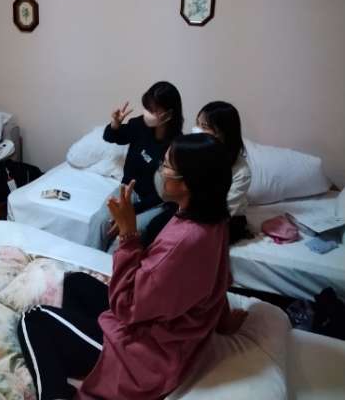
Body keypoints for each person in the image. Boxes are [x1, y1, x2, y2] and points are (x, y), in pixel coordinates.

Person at [18, 134, 245, 400]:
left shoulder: (183, 242)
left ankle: (56, 394)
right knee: (76, 281)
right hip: (164, 331)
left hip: (145, 358)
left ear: (188, 183)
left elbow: (126, 307)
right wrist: (224, 322)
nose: (160, 170)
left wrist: (128, 235)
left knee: (34, 318)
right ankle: (78, 346)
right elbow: (218, 282)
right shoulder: (214, 221)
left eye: (166, 165)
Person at [86, 80, 183, 252]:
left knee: (127, 235)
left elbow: (163, 193)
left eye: (152, 110)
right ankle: (85, 263)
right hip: (128, 191)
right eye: (146, 107)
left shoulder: (176, 147)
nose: (147, 113)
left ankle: (112, 269)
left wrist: (127, 214)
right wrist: (115, 124)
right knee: (99, 221)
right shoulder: (140, 125)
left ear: (168, 114)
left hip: (154, 202)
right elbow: (111, 137)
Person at [142, 101, 252, 247]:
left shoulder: (241, 172)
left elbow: (222, 210)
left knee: (177, 237)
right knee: (153, 227)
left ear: (223, 133)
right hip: (191, 206)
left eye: (204, 126)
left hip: (221, 216)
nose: (197, 130)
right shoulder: (197, 155)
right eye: (197, 123)